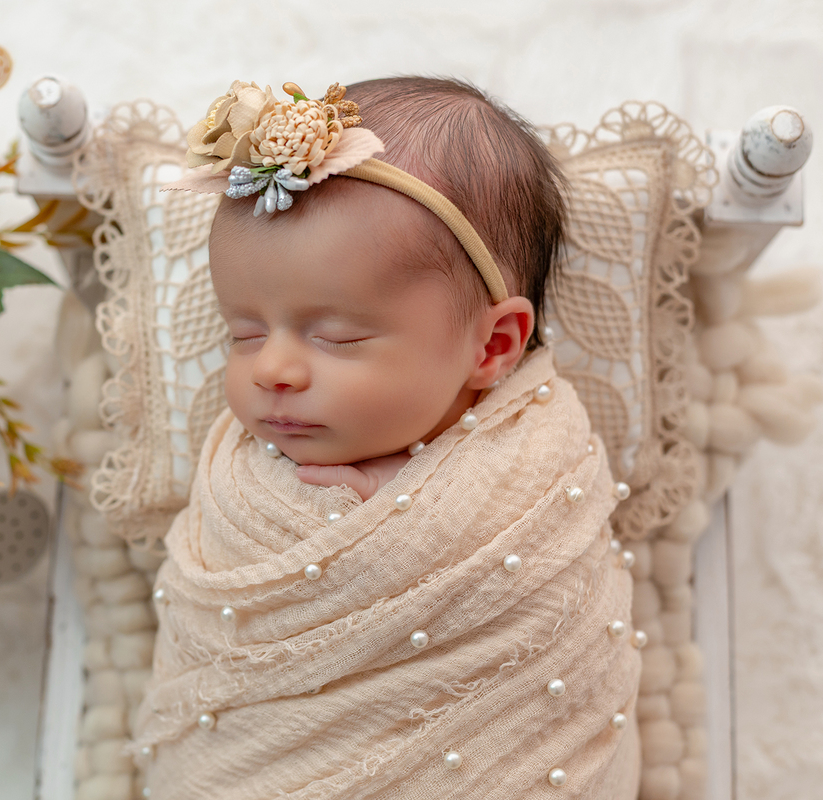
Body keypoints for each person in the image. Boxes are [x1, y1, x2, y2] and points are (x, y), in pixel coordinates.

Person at [133, 77, 642, 799]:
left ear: (494, 346)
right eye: (243, 334)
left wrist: (404, 510)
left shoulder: (535, 468)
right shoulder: (242, 482)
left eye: (337, 337)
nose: (271, 369)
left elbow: (553, 615)